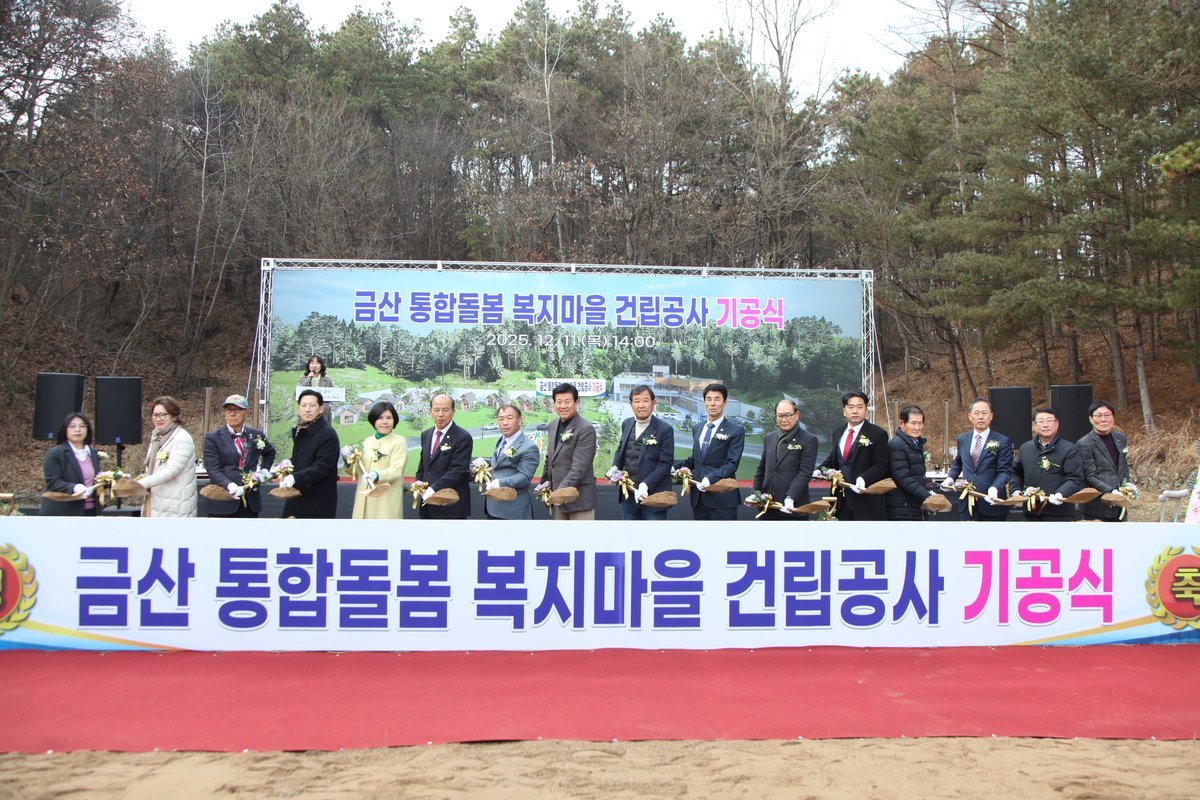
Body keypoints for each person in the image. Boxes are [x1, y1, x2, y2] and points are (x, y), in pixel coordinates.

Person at [674, 383, 744, 521]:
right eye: (709, 399)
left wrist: (709, 479)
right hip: (698, 498)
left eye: (717, 399)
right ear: (704, 401)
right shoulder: (698, 428)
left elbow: (731, 464)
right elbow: (696, 460)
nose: (712, 403)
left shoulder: (736, 430)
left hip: (722, 499)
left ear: (725, 402)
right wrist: (674, 467)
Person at [818, 391, 889, 521]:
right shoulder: (837, 432)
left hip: (866, 500)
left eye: (859, 407)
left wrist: (864, 478)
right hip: (841, 500)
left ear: (866, 410)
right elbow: (835, 458)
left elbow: (882, 465)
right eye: (851, 407)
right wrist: (820, 469)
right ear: (844, 411)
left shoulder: (877, 434)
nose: (855, 411)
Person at [202, 394, 276, 518]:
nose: (232, 414)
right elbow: (213, 469)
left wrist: (264, 470)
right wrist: (229, 485)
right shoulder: (213, 438)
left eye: (237, 410)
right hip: (222, 500)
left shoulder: (256, 435)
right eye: (229, 410)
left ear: (246, 413)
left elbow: (270, 452)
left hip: (249, 501)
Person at [608, 385, 675, 520]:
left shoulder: (664, 429)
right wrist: (615, 467)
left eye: (645, 401)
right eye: (637, 401)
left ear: (653, 403)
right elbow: (621, 448)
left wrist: (645, 484)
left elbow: (665, 464)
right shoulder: (627, 423)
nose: (641, 405)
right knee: (629, 532)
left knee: (652, 533)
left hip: (654, 496)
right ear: (631, 404)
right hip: (629, 493)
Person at [942, 398, 1013, 521]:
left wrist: (995, 488)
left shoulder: (1002, 441)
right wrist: (950, 478)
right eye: (976, 413)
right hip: (967, 502)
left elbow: (1005, 471)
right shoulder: (962, 439)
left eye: (984, 413)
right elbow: (958, 463)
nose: (980, 417)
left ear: (991, 416)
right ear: (970, 416)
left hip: (992, 502)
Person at [1012, 407, 1086, 521]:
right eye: (1041, 421)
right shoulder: (1025, 448)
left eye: (1049, 421)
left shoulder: (1069, 449)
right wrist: (1016, 490)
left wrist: (1061, 494)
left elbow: (1075, 478)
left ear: (1057, 424)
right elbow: (1016, 473)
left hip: (1060, 512)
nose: (1045, 425)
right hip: (1031, 511)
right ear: (1034, 425)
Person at [751, 399, 819, 521]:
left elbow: (805, 473)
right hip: (767, 506)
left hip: (792, 507)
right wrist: (755, 493)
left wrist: (790, 497)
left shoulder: (809, 440)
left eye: (788, 415)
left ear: (796, 415)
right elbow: (762, 468)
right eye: (780, 416)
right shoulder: (769, 437)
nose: (784, 419)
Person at [279, 389, 340, 519]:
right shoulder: (302, 429)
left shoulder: (327, 434)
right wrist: (289, 462)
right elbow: (304, 457)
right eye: (303, 405)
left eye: (312, 405)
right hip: (297, 494)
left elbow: (322, 466)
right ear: (298, 408)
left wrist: (295, 478)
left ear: (321, 409)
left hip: (317, 499)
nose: (307, 409)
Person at [541, 383, 598, 520]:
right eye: (559, 402)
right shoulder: (553, 425)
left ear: (576, 402)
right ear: (554, 404)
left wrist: (559, 493)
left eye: (567, 401)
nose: (563, 406)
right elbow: (550, 458)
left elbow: (579, 468)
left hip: (579, 500)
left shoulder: (586, 429)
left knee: (580, 534)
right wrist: (544, 484)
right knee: (560, 534)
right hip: (557, 501)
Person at [137, 396, 198, 518]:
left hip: (176, 506)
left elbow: (171, 470)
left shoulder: (182, 438)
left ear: (174, 416)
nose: (158, 419)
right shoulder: (157, 436)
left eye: (163, 415)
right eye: (155, 415)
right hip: (157, 503)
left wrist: (140, 484)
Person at [415, 394, 473, 520]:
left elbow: (458, 470)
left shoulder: (463, 437)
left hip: (451, 505)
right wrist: (418, 481)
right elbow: (423, 464)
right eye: (436, 410)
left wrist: (433, 489)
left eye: (445, 410)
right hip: (427, 503)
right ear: (430, 411)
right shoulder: (426, 435)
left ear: (453, 412)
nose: (440, 414)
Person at [1076, 400, 1133, 522]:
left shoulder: (1120, 438)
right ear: (1091, 419)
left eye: (1107, 415)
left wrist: (1127, 484)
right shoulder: (1084, 443)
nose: (1103, 419)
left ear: (1113, 417)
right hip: (1097, 506)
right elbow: (1089, 476)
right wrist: (1111, 491)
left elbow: (1123, 466)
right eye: (1098, 415)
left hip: (1120, 504)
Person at [350, 401, 408, 520]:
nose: (385, 422)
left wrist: (376, 475)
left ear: (394, 420)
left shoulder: (399, 441)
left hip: (385, 501)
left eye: (389, 418)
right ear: (374, 421)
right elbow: (358, 472)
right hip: (363, 499)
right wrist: (348, 461)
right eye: (380, 418)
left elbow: (396, 470)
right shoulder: (367, 441)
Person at [482, 404, 540, 520]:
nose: (505, 423)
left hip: (513, 509)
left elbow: (524, 477)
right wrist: (485, 461)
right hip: (493, 506)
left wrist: (499, 483)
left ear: (519, 420)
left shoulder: (529, 447)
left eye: (509, 418)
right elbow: (499, 463)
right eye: (501, 419)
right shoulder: (502, 440)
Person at [40, 412, 103, 517]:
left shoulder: (93, 453)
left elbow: (93, 480)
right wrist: (74, 487)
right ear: (65, 430)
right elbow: (53, 482)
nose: (78, 430)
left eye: (82, 426)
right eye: (72, 426)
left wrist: (111, 479)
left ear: (87, 429)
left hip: (90, 512)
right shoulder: (55, 453)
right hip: (62, 513)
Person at [887, 405, 937, 520]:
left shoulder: (916, 443)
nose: (917, 427)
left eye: (920, 423)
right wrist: (927, 496)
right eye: (913, 423)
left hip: (915, 504)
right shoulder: (896, 445)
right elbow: (903, 478)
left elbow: (917, 474)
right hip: (902, 507)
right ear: (902, 423)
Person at [297, 355, 334, 424]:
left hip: (323, 414)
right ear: (308, 365)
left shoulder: (327, 380)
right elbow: (296, 394)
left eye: (317, 363)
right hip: (306, 413)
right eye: (312, 363)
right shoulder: (302, 379)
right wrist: (308, 379)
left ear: (321, 366)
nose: (314, 366)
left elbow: (332, 397)